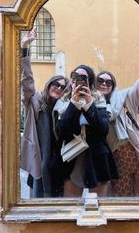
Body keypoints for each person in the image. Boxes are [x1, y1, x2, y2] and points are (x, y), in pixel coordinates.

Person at [96, 58, 139, 197]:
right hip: (114, 164)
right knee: (123, 202)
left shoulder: (125, 98)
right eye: (100, 81)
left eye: (109, 82)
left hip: (136, 158)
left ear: (113, 85)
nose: (104, 84)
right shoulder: (90, 106)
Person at [54, 65, 118, 197]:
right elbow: (62, 131)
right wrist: (74, 103)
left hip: (97, 157)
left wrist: (89, 104)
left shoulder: (98, 98)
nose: (78, 81)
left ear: (89, 81)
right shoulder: (63, 100)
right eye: (75, 77)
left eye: (83, 78)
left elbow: (103, 130)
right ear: (71, 79)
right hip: (72, 157)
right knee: (71, 208)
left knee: (98, 207)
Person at [20, 29, 69, 197]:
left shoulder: (64, 109)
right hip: (38, 163)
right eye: (56, 84)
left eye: (63, 87)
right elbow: (27, 80)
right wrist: (25, 47)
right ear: (49, 85)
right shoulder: (36, 101)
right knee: (36, 205)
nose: (58, 88)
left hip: (59, 165)